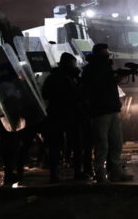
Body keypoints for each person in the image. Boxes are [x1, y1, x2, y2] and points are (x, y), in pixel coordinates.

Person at [82, 44, 132, 182]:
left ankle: (115, 171)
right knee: (102, 144)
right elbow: (95, 88)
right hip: (100, 111)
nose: (107, 57)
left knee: (116, 143)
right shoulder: (91, 70)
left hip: (112, 109)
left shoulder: (104, 68)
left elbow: (109, 84)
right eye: (105, 54)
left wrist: (118, 77)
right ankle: (100, 173)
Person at [42, 52, 86, 182]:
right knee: (76, 145)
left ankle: (54, 175)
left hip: (55, 115)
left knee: (55, 146)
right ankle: (77, 172)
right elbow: (78, 95)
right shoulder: (71, 78)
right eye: (73, 63)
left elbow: (45, 94)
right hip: (71, 115)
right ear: (69, 63)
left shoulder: (51, 77)